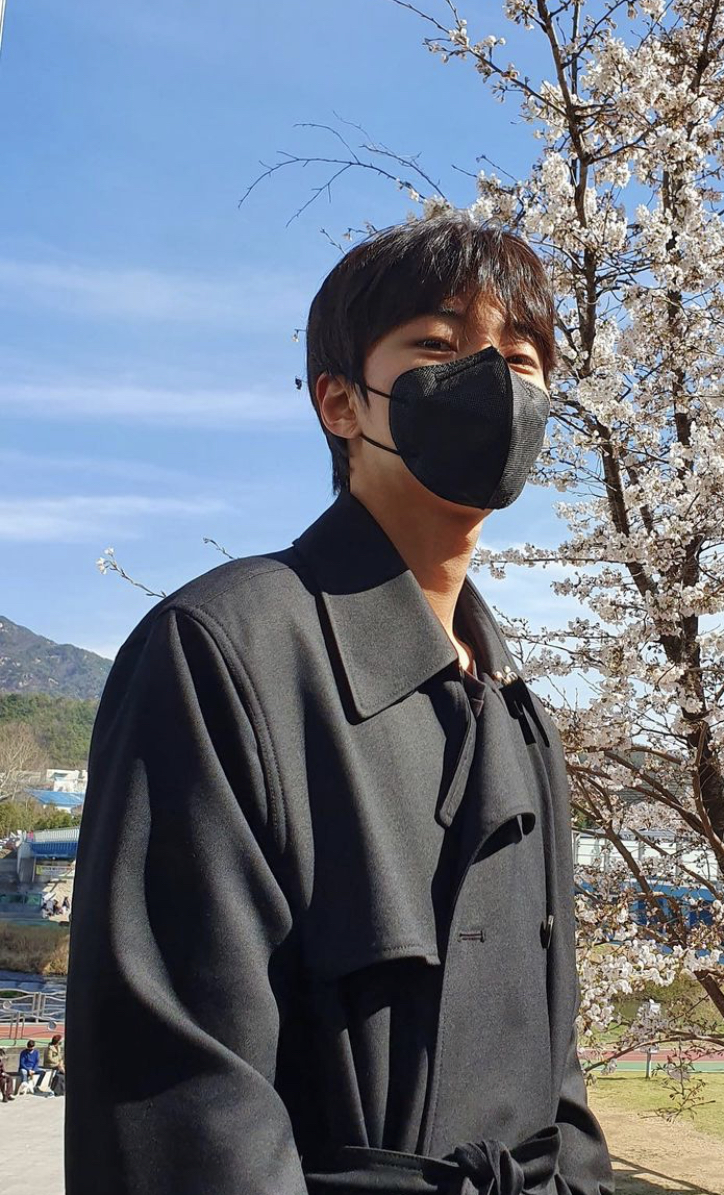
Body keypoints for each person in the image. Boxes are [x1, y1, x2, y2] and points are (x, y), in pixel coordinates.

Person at [65, 216, 615, 1195]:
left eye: (523, 357)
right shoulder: (224, 651)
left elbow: (557, 1079)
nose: (492, 380)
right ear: (340, 400)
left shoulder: (518, 712)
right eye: (439, 345)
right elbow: (183, 1100)